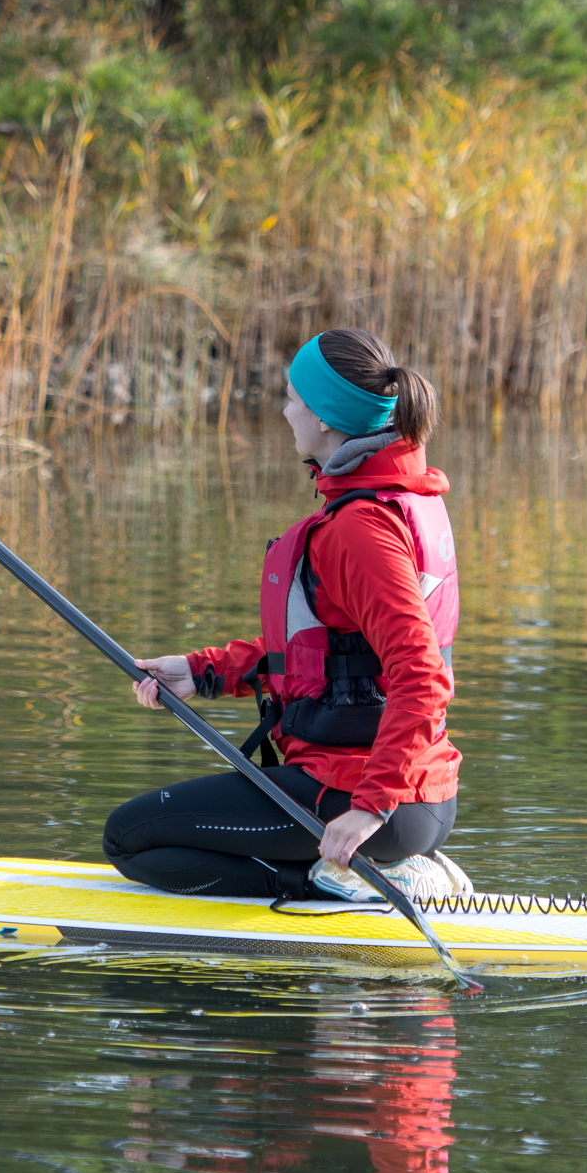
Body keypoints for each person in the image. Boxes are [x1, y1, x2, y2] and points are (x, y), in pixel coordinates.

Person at [105, 328, 468, 903]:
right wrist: (202, 671)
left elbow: (421, 677)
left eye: (294, 398)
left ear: (325, 419)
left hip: (366, 800)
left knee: (129, 840)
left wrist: (370, 808)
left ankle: (348, 881)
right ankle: (379, 869)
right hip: (411, 796)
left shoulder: (360, 528)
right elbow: (333, 652)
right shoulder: (400, 498)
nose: (284, 409)